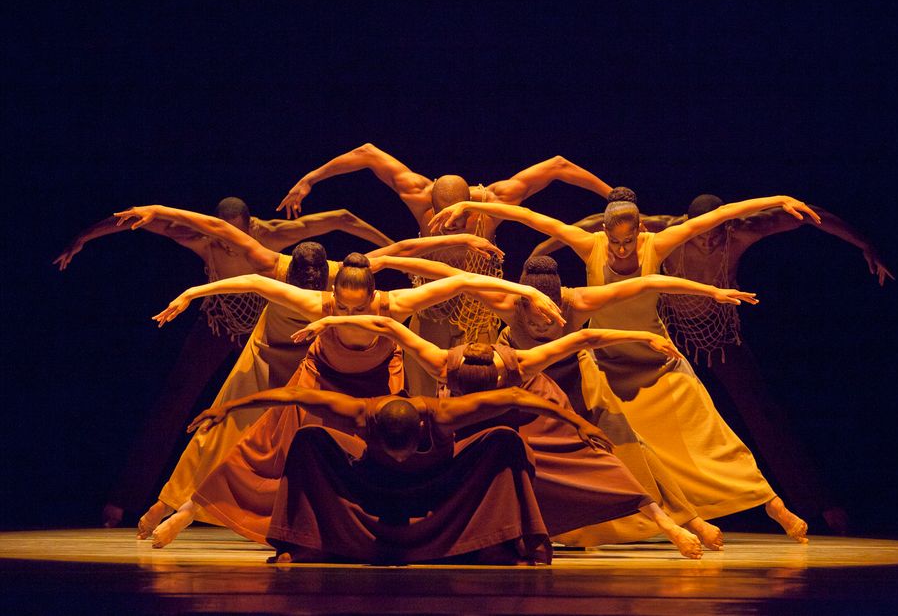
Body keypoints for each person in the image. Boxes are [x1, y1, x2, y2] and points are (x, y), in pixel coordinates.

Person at [428, 195, 822, 543]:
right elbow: (526, 220)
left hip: (649, 361)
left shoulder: (588, 294)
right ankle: (622, 523)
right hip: (597, 369)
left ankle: (765, 505)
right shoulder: (555, 271)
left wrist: (715, 287)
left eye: (627, 242)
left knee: (707, 435)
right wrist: (471, 208)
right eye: (613, 242)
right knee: (624, 452)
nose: (619, 251)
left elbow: (655, 273)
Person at [116, 204, 509, 537]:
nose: (309, 281)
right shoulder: (279, 268)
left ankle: (346, 519)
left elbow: (403, 250)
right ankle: (169, 506)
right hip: (273, 356)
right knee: (224, 433)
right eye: (303, 276)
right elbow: (222, 233)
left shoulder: (348, 280)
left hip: (339, 363)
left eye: (317, 277)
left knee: (369, 439)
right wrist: (165, 228)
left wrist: (462, 242)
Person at [530, 189, 894, 532]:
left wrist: (864, 243)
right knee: (625, 419)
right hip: (668, 336)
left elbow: (806, 217)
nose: (707, 241)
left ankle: (815, 503)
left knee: (760, 412)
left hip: (718, 336)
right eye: (702, 233)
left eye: (715, 234)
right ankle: (622, 511)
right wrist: (539, 258)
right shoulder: (660, 232)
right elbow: (587, 225)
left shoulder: (738, 233)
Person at [148, 253, 564, 548]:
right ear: (334, 293)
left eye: (357, 305)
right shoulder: (318, 303)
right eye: (342, 304)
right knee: (261, 448)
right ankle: (186, 512)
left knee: (387, 459)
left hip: (377, 390)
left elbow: (462, 280)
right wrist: (193, 292)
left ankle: (375, 528)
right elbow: (255, 282)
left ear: (371, 295)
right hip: (320, 378)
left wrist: (526, 291)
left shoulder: (395, 304)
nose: (348, 312)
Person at [55, 197, 394, 528]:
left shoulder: (298, 253)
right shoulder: (239, 250)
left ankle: (310, 511)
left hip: (289, 341)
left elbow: (345, 219)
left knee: (300, 421)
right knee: (192, 407)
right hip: (224, 324)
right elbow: (152, 223)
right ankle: (136, 499)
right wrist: (84, 236)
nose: (232, 249)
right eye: (227, 241)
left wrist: (393, 251)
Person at [296, 314, 709, 559]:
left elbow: (586, 337)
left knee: (598, 462)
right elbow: (386, 323)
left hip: (527, 418)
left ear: (498, 377)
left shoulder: (523, 364)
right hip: (473, 430)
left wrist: (643, 337)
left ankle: (668, 524)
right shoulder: (442, 362)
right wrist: (330, 320)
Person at [276, 143, 615, 395]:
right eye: (444, 218)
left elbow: (557, 166)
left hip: (479, 316)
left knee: (478, 396)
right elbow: (367, 154)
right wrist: (309, 179)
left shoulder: (492, 202)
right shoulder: (417, 193)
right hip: (431, 313)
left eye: (460, 219)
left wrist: (614, 199)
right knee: (424, 401)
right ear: (430, 205)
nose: (452, 226)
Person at [187, 386, 613, 565]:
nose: (402, 458)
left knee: (503, 438)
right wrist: (228, 406)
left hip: (440, 488)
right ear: (372, 432)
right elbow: (293, 394)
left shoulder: (443, 414)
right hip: (369, 488)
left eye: (407, 450)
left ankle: (509, 540)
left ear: (421, 432)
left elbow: (517, 395)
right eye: (395, 452)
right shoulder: (358, 412)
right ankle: (296, 542)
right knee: (308, 438)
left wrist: (580, 422)